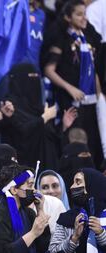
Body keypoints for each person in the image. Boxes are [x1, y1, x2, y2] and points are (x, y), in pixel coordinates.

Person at [44, 0, 104, 168]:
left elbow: (92, 67)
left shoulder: (88, 37)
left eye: (84, 13)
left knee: (92, 142)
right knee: (76, 142)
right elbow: (49, 70)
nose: (84, 18)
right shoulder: (61, 37)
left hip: (90, 100)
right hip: (70, 99)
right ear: (68, 17)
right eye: (79, 14)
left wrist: (98, 93)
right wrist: (70, 89)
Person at [3, 63, 77, 170]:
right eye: (30, 77)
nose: (34, 81)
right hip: (24, 175)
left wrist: (63, 127)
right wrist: (44, 118)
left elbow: (50, 142)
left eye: (36, 76)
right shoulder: (9, 109)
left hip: (48, 174)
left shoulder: (40, 108)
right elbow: (22, 135)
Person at [0, 164, 51, 253]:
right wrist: (32, 234)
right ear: (14, 190)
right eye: (30, 185)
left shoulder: (29, 213)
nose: (34, 190)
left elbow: (43, 247)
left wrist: (40, 210)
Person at [49, 168, 106, 252]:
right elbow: (52, 250)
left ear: (92, 185)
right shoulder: (66, 218)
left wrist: (101, 234)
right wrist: (74, 238)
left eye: (78, 182)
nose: (72, 187)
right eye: (73, 182)